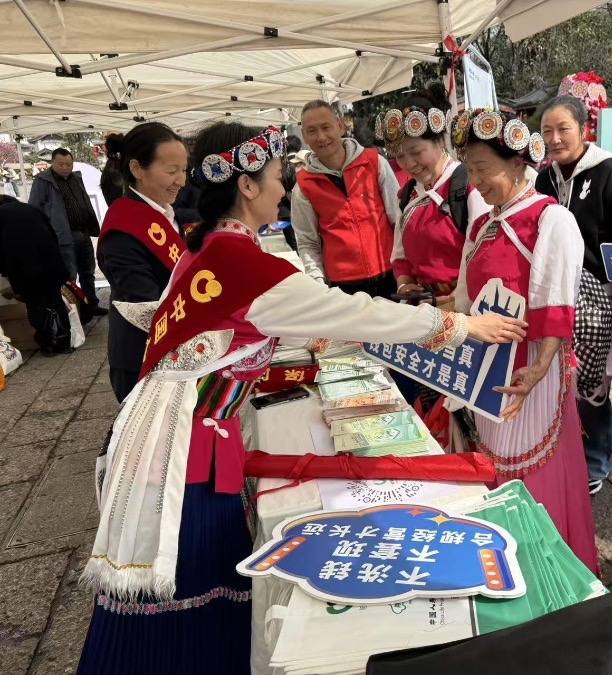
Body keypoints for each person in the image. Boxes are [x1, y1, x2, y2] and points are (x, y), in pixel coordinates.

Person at [77, 121, 526, 675]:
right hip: (185, 452)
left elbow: (234, 330)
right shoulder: (246, 264)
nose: (284, 188)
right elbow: (358, 312)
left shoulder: (208, 250)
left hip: (169, 432)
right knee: (185, 580)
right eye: (275, 176)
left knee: (185, 582)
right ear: (246, 186)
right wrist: (460, 326)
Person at [451, 108, 599, 574]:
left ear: (518, 163)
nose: (476, 182)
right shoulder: (482, 224)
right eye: (470, 170)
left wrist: (538, 369)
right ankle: (506, 563)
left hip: (531, 363)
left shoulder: (551, 219)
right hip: (488, 364)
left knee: (531, 468)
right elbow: (463, 298)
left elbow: (556, 303)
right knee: (496, 460)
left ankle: (544, 570)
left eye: (483, 169)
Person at [536, 95, 612, 495]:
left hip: (600, 299)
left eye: (563, 129)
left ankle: (595, 461)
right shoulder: (544, 179)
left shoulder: (610, 172)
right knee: (559, 379)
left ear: (583, 129)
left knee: (593, 383)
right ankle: (563, 453)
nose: (555, 139)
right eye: (547, 131)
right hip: (558, 295)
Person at [375, 84, 489, 309]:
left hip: (468, 304)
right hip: (427, 307)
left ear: (440, 140)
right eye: (399, 156)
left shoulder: (468, 186)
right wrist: (405, 285)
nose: (409, 164)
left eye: (416, 152)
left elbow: (485, 253)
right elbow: (400, 256)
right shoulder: (407, 196)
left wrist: (456, 298)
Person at [97, 122, 188, 402]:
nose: (181, 181)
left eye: (184, 170)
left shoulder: (167, 214)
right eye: (171, 171)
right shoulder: (123, 229)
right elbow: (146, 305)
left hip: (176, 352)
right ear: (137, 169)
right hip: (143, 359)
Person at [291, 100, 401, 298]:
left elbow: (398, 218)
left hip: (391, 274)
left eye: (326, 127)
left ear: (340, 126)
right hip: (343, 285)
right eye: (312, 131)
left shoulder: (373, 163)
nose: (321, 137)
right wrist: (318, 283)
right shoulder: (304, 186)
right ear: (304, 136)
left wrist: (406, 268)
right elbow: (307, 242)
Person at [29, 148, 107, 316]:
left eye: (69, 164)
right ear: (52, 163)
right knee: (69, 276)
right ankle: (73, 312)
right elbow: (35, 209)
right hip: (63, 235)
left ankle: (91, 305)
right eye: (61, 164)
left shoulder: (75, 178)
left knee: (88, 272)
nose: (65, 168)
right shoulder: (43, 181)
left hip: (83, 232)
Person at [0, 195, 72, 355]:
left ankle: (48, 344)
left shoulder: (2, 216)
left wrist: (5, 271)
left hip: (24, 270)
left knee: (35, 305)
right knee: (55, 301)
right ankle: (64, 342)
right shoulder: (33, 209)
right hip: (50, 264)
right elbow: (53, 236)